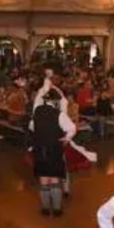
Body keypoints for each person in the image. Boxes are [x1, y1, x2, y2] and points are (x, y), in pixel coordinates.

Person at [29, 84, 76, 217]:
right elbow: (72, 128)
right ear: (55, 102)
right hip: (54, 148)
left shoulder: (37, 112)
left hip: (39, 149)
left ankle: (45, 208)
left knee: (44, 180)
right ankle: (56, 209)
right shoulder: (59, 115)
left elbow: (31, 127)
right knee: (54, 180)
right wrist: (66, 138)